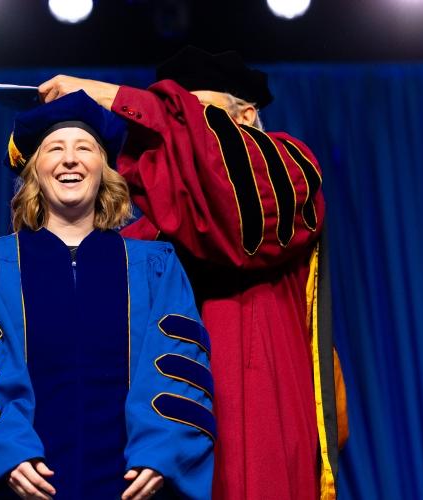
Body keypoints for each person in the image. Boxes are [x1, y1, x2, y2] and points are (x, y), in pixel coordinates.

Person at [38, 47, 347, 500]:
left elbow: (228, 203)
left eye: (197, 117)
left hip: (258, 423)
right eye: (175, 123)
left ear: (245, 114)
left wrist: (113, 95)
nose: (182, 137)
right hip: (160, 451)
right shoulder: (145, 238)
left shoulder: (288, 171)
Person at [0, 90, 214, 499]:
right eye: (54, 148)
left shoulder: (155, 267)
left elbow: (180, 368)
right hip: (21, 483)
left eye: (85, 148)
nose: (69, 159)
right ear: (33, 172)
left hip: (129, 484)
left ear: (105, 170)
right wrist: (4, 453)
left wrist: (160, 451)